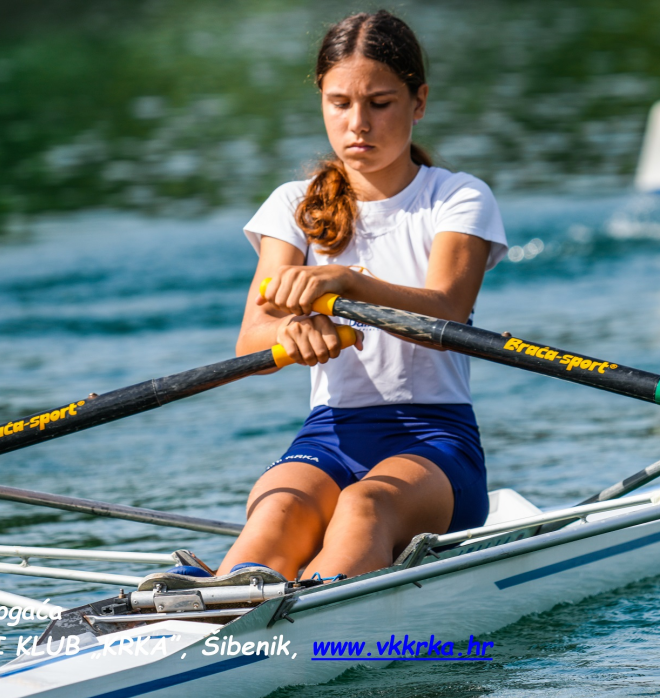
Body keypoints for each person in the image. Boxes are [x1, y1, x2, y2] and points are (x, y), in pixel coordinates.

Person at [217, 10, 507, 584]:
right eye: (340, 103)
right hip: (328, 432)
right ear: (321, 102)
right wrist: (294, 334)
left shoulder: (457, 197)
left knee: (363, 505)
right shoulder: (293, 206)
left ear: (418, 102)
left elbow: (447, 307)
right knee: (275, 509)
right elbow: (252, 339)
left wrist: (347, 281)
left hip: (436, 443)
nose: (359, 125)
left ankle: (300, 615)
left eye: (380, 103)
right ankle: (215, 618)